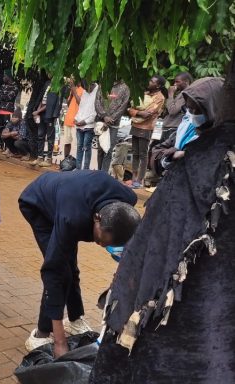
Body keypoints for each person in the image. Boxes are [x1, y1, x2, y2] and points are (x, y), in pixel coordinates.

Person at [89, 63, 234, 383]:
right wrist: (170, 158)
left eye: (196, 108)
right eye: (189, 106)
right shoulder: (197, 150)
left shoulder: (219, 162)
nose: (190, 113)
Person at [19, 171, 141, 357]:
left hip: (72, 199)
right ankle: (41, 333)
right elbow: (53, 270)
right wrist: (60, 342)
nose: (102, 246)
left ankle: (74, 319)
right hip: (38, 205)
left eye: (109, 244)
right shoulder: (72, 218)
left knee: (71, 268)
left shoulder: (128, 200)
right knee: (62, 270)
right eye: (101, 240)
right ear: (96, 218)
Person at [128, 75, 166, 189]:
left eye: (152, 81)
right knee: (135, 153)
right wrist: (136, 111)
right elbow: (130, 107)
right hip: (135, 125)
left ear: (158, 85)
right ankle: (133, 178)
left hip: (146, 127)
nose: (149, 82)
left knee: (143, 155)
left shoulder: (160, 98)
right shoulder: (145, 93)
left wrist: (134, 111)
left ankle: (139, 180)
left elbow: (148, 113)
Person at [94, 79, 130, 173]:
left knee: (108, 150)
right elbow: (97, 102)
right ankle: (99, 172)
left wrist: (110, 120)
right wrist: (104, 116)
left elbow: (123, 106)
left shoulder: (125, 88)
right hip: (101, 122)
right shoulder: (104, 83)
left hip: (113, 124)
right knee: (100, 148)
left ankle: (104, 174)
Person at [30, 79, 65, 168]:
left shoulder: (60, 84)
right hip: (42, 114)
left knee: (50, 137)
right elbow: (42, 99)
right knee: (40, 135)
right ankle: (40, 157)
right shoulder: (47, 83)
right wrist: (37, 110)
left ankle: (49, 159)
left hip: (50, 114)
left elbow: (56, 103)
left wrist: (55, 115)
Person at [74, 80, 99, 170]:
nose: (86, 90)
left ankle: (85, 169)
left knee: (86, 147)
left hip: (89, 125)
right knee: (79, 146)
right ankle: (78, 168)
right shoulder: (85, 91)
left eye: (87, 88)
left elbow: (96, 112)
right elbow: (82, 106)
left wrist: (85, 122)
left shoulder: (98, 90)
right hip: (79, 125)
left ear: (91, 84)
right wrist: (76, 118)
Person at [161, 72, 193, 142]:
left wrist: (170, 95)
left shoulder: (186, 93)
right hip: (170, 126)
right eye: (175, 82)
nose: (175, 84)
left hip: (173, 127)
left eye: (178, 82)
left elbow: (172, 111)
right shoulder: (181, 93)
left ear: (186, 82)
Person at [0, 72, 19, 151]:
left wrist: (3, 96)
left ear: (9, 77)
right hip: (1, 110)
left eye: (5, 76)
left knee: (8, 129)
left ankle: (8, 148)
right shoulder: (3, 85)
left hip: (8, 111)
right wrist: (3, 96)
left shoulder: (15, 87)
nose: (3, 77)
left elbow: (8, 97)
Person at [60, 79, 84, 158]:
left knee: (78, 144)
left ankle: (78, 165)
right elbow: (68, 103)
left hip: (76, 121)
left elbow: (80, 103)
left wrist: (74, 90)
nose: (71, 80)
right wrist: (71, 91)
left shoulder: (83, 90)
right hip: (68, 119)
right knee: (67, 142)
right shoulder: (73, 90)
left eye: (73, 79)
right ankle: (65, 161)